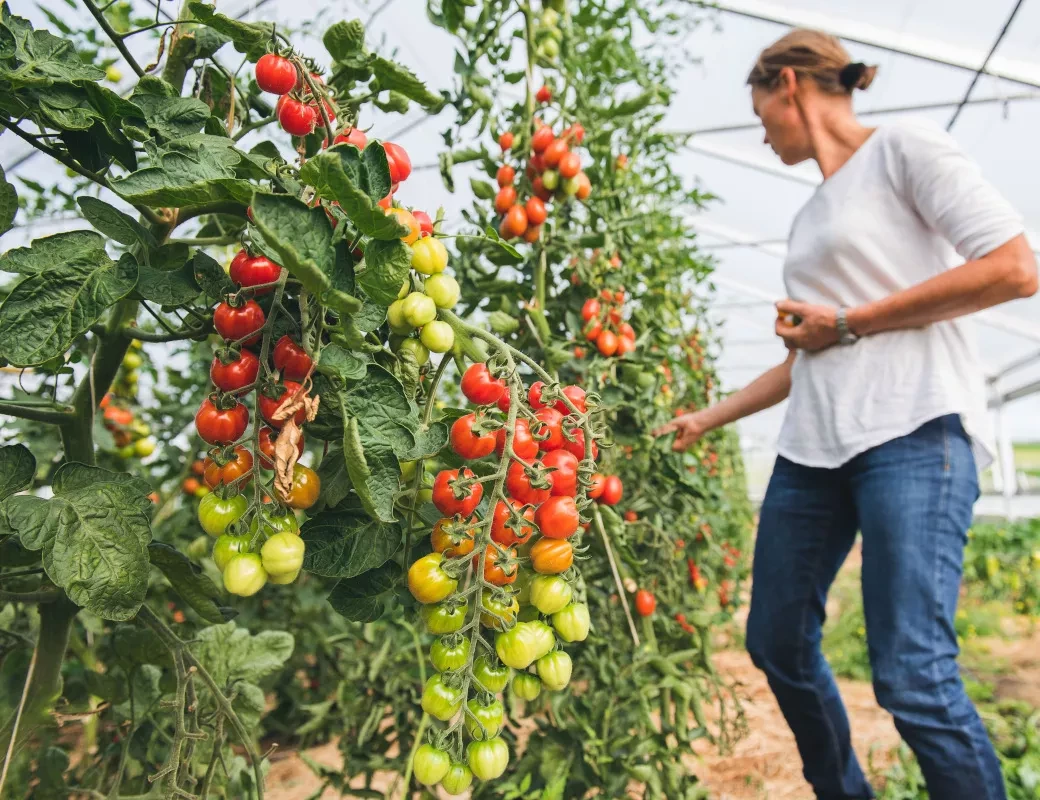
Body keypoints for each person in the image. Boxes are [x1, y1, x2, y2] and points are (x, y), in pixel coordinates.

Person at [654, 28, 1037, 800]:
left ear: (787, 84)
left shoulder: (903, 148)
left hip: (913, 430)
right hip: (814, 452)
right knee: (775, 642)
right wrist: (709, 417)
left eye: (761, 109)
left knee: (912, 678)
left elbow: (1013, 266)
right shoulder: (808, 219)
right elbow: (810, 357)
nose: (759, 129)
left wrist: (850, 321)